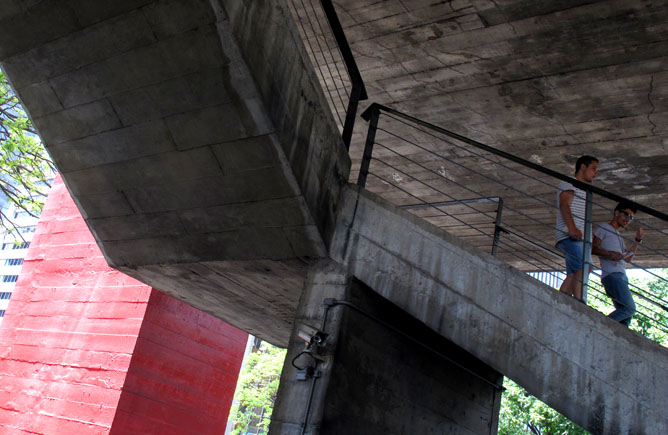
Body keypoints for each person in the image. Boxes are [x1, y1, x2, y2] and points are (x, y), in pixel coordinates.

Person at [555, 155, 599, 301]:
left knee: (574, 273)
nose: (596, 173)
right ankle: (580, 302)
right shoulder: (570, 182)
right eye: (593, 168)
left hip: (579, 237)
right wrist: (572, 228)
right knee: (585, 267)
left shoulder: (585, 189)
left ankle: (560, 301)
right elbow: (564, 204)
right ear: (583, 167)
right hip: (571, 235)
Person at [592, 202, 643, 326]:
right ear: (616, 213)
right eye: (626, 215)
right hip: (612, 275)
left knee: (625, 318)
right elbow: (593, 248)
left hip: (620, 275)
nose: (628, 220)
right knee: (629, 308)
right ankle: (599, 326)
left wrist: (637, 241)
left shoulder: (618, 236)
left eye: (631, 218)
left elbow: (628, 258)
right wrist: (609, 254)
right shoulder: (604, 227)